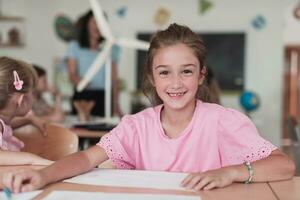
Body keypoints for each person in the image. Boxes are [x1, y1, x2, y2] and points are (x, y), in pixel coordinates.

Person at [2, 23, 295, 193]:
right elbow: (85, 159)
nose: (176, 83)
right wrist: (44, 175)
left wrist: (229, 172)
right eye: (165, 72)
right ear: (152, 77)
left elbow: (285, 165)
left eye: (187, 71)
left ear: (202, 75)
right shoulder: (136, 126)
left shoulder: (223, 121)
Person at [65, 10, 121, 117]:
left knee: (104, 131)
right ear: (87, 24)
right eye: (95, 22)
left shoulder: (110, 47)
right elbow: (71, 75)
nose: (98, 27)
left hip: (104, 97)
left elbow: (114, 79)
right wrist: (80, 81)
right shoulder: (74, 46)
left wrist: (116, 105)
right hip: (82, 97)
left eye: (101, 24)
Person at [0, 57, 53, 165]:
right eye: (33, 93)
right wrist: (33, 159)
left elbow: (6, 127)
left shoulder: (3, 122)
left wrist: (29, 119)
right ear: (22, 100)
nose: (34, 97)